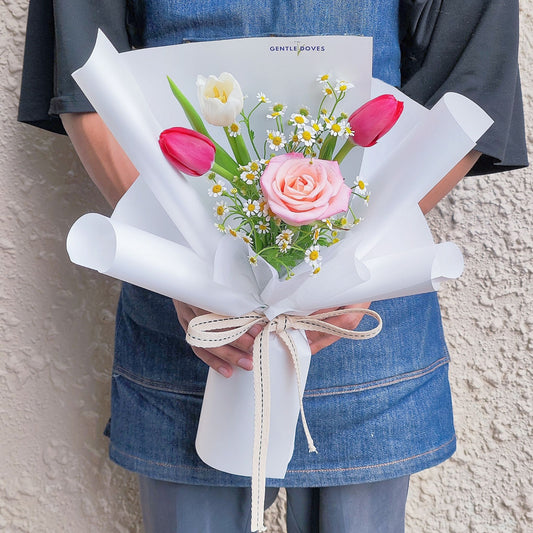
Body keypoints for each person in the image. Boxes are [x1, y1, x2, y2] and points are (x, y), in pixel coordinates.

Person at [18, 1, 527, 532]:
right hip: (187, 321)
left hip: (359, 313)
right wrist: (180, 265)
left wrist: (353, 259)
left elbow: (469, 82)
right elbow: (84, 70)